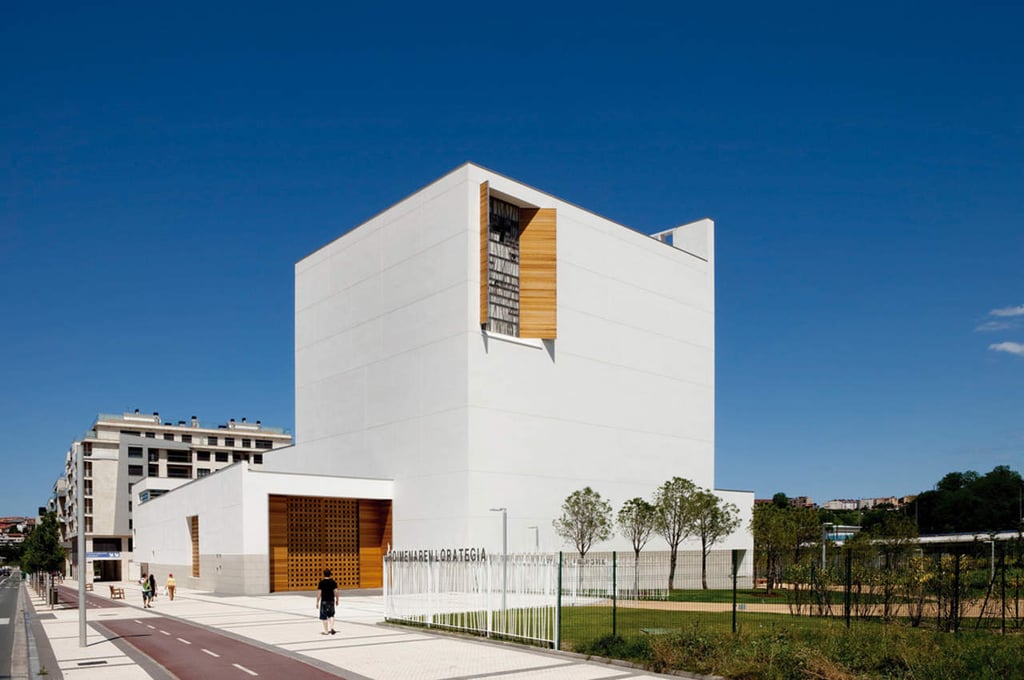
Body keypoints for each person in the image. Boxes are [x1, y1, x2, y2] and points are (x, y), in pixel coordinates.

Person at [315, 568, 339, 635]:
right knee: (331, 614)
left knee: (324, 616)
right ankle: (332, 627)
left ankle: (326, 631)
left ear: (324, 574)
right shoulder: (333, 582)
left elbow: (319, 593)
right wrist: (337, 600)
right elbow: (336, 591)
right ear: (330, 574)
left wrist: (317, 602)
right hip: (331, 600)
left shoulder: (321, 583)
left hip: (324, 601)